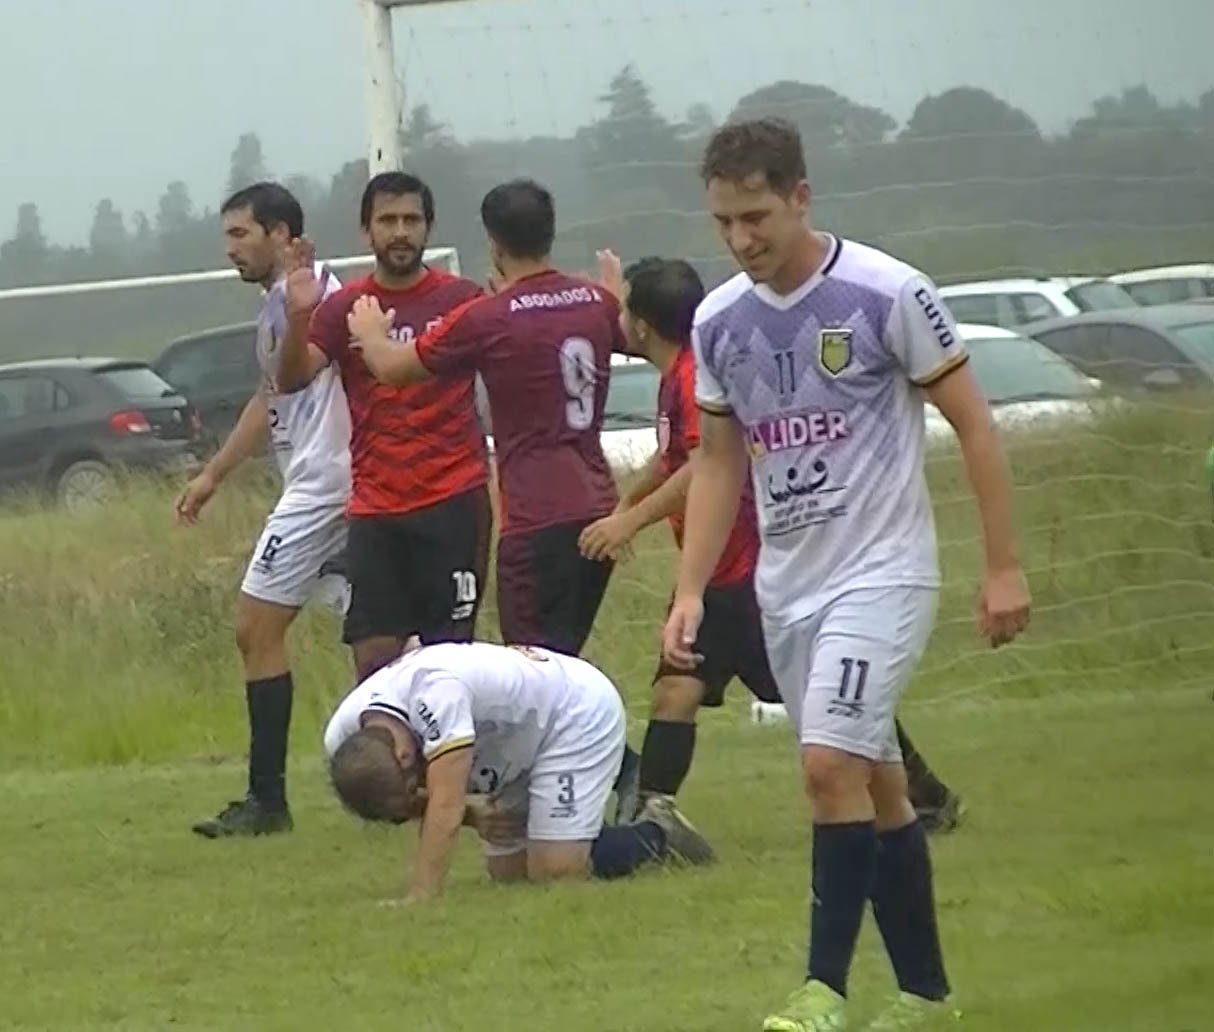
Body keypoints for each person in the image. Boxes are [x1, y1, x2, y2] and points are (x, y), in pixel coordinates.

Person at [661, 119, 1031, 1030]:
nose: (742, 239)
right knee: (876, 784)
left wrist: (1004, 567)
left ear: (800, 198)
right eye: (723, 222)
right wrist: (690, 589)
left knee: (828, 767)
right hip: (788, 587)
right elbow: (717, 462)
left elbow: (976, 426)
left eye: (756, 216)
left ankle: (821, 990)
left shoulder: (886, 291)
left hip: (883, 573)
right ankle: (926, 999)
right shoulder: (719, 322)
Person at [346, 177, 641, 811]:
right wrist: (612, 294)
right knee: (562, 665)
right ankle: (587, 788)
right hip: (598, 507)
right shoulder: (590, 299)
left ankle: (610, 782)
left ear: (492, 242)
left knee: (534, 679)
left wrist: (369, 328)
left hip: (537, 520)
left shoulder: (488, 315)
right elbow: (626, 334)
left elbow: (394, 370)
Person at [577, 254, 778, 853]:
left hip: (744, 571)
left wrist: (632, 521)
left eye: (624, 305)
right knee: (675, 689)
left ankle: (921, 795)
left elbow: (700, 465)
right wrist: (622, 509)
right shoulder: (677, 374)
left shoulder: (693, 377)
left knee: (813, 694)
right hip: (712, 573)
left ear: (640, 325)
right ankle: (654, 816)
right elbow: (672, 458)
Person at [176, 181, 349, 838]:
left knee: (255, 628)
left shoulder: (316, 299)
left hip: (326, 489)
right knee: (388, 638)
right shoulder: (280, 303)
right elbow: (270, 396)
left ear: (280, 235)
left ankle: (267, 802)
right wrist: (213, 474)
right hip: (318, 483)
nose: (230, 250)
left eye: (240, 234)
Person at [275, 172, 493, 682]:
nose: (400, 232)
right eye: (387, 221)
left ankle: (444, 761)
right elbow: (291, 378)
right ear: (365, 232)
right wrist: (299, 316)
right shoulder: (344, 306)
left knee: (449, 662)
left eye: (411, 220)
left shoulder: (463, 299)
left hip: (453, 500)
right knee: (375, 662)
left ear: (428, 228)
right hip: (377, 508)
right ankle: (382, 761)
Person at [323, 640, 713, 901]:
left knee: (556, 870)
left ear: (406, 756)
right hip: (510, 743)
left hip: (573, 713)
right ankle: (582, 827)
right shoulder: (342, 740)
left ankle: (659, 834)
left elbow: (443, 806)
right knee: (511, 876)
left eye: (413, 789)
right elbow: (420, 800)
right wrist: (474, 814)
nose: (414, 799)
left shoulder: (435, 694)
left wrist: (420, 896)